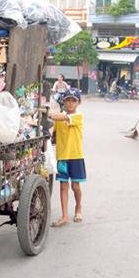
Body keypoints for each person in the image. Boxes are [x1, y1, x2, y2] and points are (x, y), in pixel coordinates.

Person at [49, 88, 86, 227]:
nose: (70, 103)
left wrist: (49, 113)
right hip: (62, 157)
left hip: (76, 156)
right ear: (63, 102)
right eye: (67, 100)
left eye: (73, 101)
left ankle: (78, 207)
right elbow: (54, 136)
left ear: (78, 103)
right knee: (63, 186)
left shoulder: (78, 116)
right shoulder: (59, 118)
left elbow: (62, 117)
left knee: (75, 186)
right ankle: (64, 216)